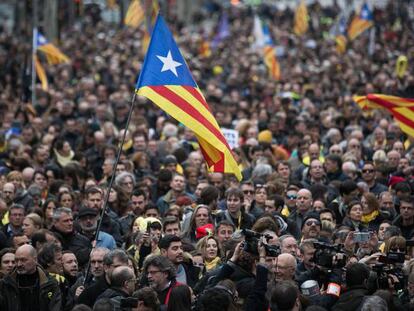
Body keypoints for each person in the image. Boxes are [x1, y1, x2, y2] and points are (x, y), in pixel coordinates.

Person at [0, 244, 62, 311]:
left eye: (23, 260)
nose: (19, 264)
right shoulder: (6, 284)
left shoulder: (50, 284)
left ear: (35, 260)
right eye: (16, 260)